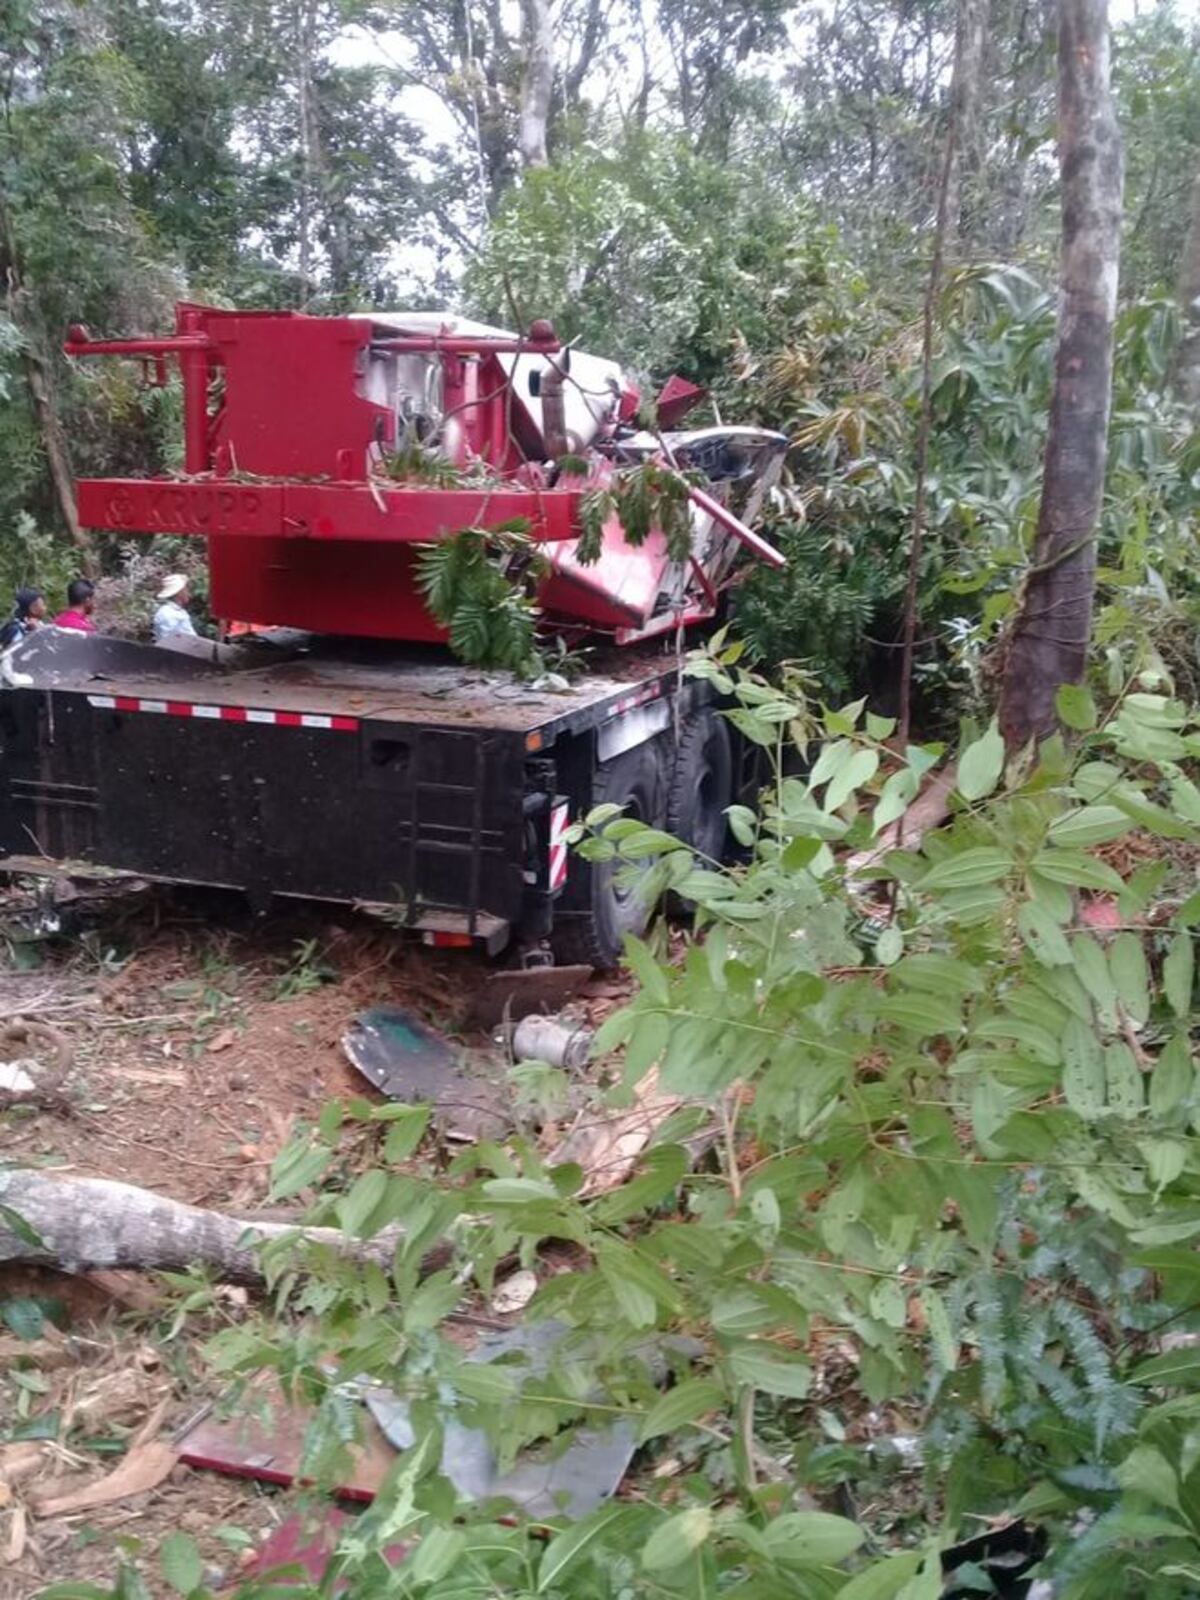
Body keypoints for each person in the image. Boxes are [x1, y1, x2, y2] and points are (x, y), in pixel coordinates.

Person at [153, 574, 197, 641]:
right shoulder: (168, 613)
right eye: (186, 589)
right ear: (179, 593)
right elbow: (168, 642)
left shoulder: (179, 612)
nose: (189, 593)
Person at [0, 588, 46, 652]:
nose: (45, 608)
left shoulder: (39, 624)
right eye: (42, 605)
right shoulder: (16, 630)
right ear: (32, 609)